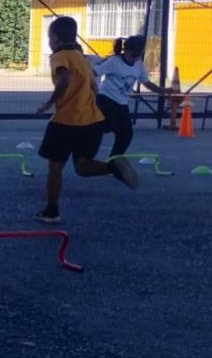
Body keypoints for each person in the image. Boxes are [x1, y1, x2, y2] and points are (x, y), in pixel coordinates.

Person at [34, 16, 138, 223]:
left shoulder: (60, 56)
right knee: (83, 166)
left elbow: (63, 79)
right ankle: (113, 169)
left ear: (53, 38)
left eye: (49, 36)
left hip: (66, 121)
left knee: (55, 167)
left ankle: (52, 211)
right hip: (92, 121)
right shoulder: (81, 57)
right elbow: (94, 86)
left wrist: (48, 103)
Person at [91, 34, 165, 158]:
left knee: (126, 134)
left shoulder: (138, 64)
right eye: (141, 50)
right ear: (133, 50)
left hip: (121, 103)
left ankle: (114, 161)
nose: (143, 53)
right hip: (106, 99)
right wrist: (89, 87)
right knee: (106, 127)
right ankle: (84, 132)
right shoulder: (114, 61)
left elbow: (146, 83)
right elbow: (93, 72)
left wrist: (164, 91)